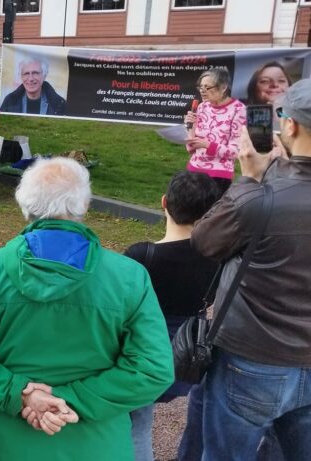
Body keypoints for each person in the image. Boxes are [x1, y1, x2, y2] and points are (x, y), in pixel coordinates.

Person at [0, 157, 174, 459]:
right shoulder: (129, 277)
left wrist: (23, 395)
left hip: (13, 443)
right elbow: (153, 369)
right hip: (98, 443)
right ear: (84, 205)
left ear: (26, 206)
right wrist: (70, 400)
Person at [189, 79, 311, 461]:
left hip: (253, 361)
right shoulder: (273, 192)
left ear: (289, 126)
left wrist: (250, 179)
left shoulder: (260, 198)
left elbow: (205, 241)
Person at [119, 171, 219, 461]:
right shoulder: (218, 260)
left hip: (142, 354)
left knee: (135, 427)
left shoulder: (141, 256)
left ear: (163, 202)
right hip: (184, 359)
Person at [183, 67, 246, 195]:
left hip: (218, 176)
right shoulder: (202, 107)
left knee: (212, 214)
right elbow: (191, 148)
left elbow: (236, 151)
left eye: (207, 87)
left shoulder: (238, 110)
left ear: (223, 87)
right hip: (194, 169)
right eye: (200, 87)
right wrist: (191, 127)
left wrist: (207, 145)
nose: (202, 91)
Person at [0, 56, 67, 116]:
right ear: (21, 77)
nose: (31, 79)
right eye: (26, 73)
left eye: (35, 73)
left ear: (44, 76)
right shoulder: (10, 101)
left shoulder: (59, 104)